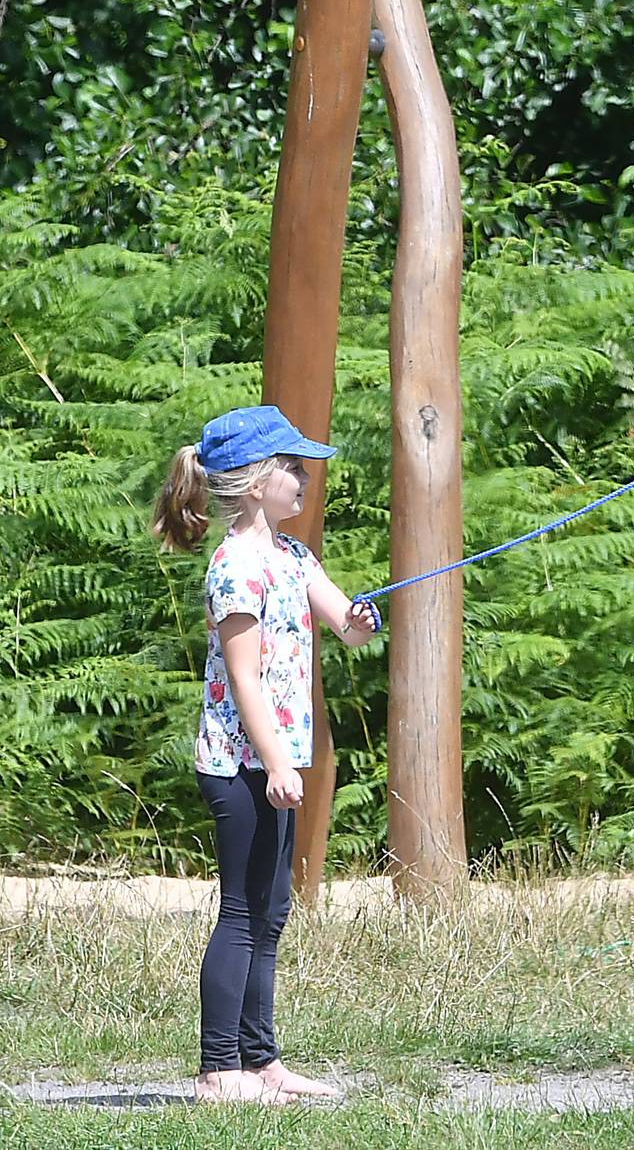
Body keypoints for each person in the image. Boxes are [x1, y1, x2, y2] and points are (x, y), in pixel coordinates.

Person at [151, 406, 380, 1106]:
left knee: (272, 908)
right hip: (237, 762)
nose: (307, 477)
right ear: (255, 483)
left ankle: (263, 1062)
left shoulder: (291, 556)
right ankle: (220, 1071)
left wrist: (360, 620)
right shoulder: (235, 567)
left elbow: (346, 628)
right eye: (293, 466)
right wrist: (277, 763)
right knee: (243, 913)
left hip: (274, 762)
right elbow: (243, 677)